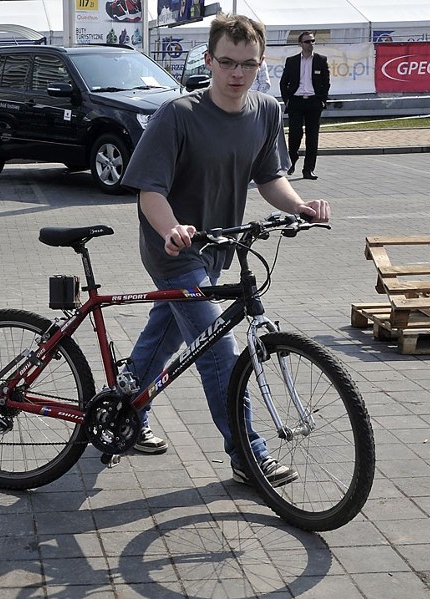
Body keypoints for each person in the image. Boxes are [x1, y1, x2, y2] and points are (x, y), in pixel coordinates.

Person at [121, 13, 330, 487]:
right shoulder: (180, 114)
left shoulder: (265, 111)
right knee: (218, 346)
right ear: (210, 60)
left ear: (260, 65)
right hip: (172, 248)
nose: (237, 74)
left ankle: (124, 410)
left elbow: (269, 177)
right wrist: (174, 230)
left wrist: (300, 206)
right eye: (228, 63)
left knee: (170, 333)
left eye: (248, 64)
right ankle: (247, 454)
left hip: (219, 246)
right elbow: (149, 191)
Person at [279, 31, 330, 180]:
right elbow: (284, 82)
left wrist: (322, 100)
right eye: (307, 41)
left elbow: (326, 82)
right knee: (295, 135)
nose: (310, 44)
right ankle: (292, 160)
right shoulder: (292, 61)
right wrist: (287, 100)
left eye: (313, 41)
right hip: (296, 101)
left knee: (312, 137)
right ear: (300, 44)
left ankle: (308, 169)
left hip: (314, 102)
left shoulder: (321, 60)